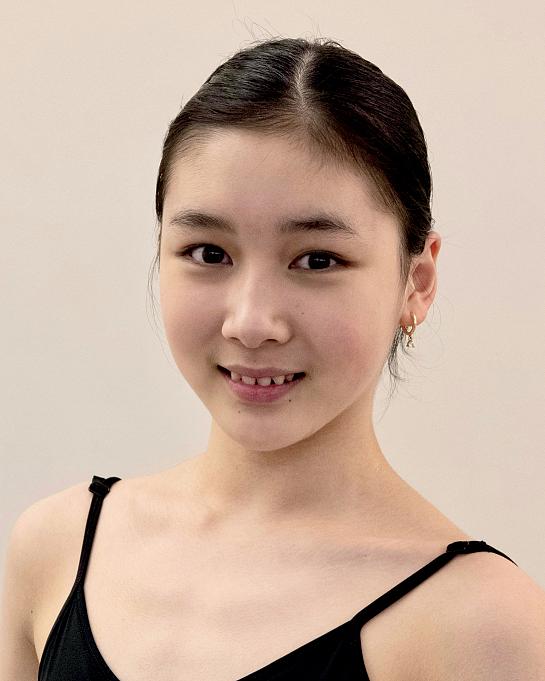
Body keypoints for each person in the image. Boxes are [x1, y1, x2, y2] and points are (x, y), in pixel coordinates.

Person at [2, 36, 544, 681]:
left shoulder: (479, 626)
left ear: (416, 282)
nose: (251, 322)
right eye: (209, 253)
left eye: (317, 259)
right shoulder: (56, 549)